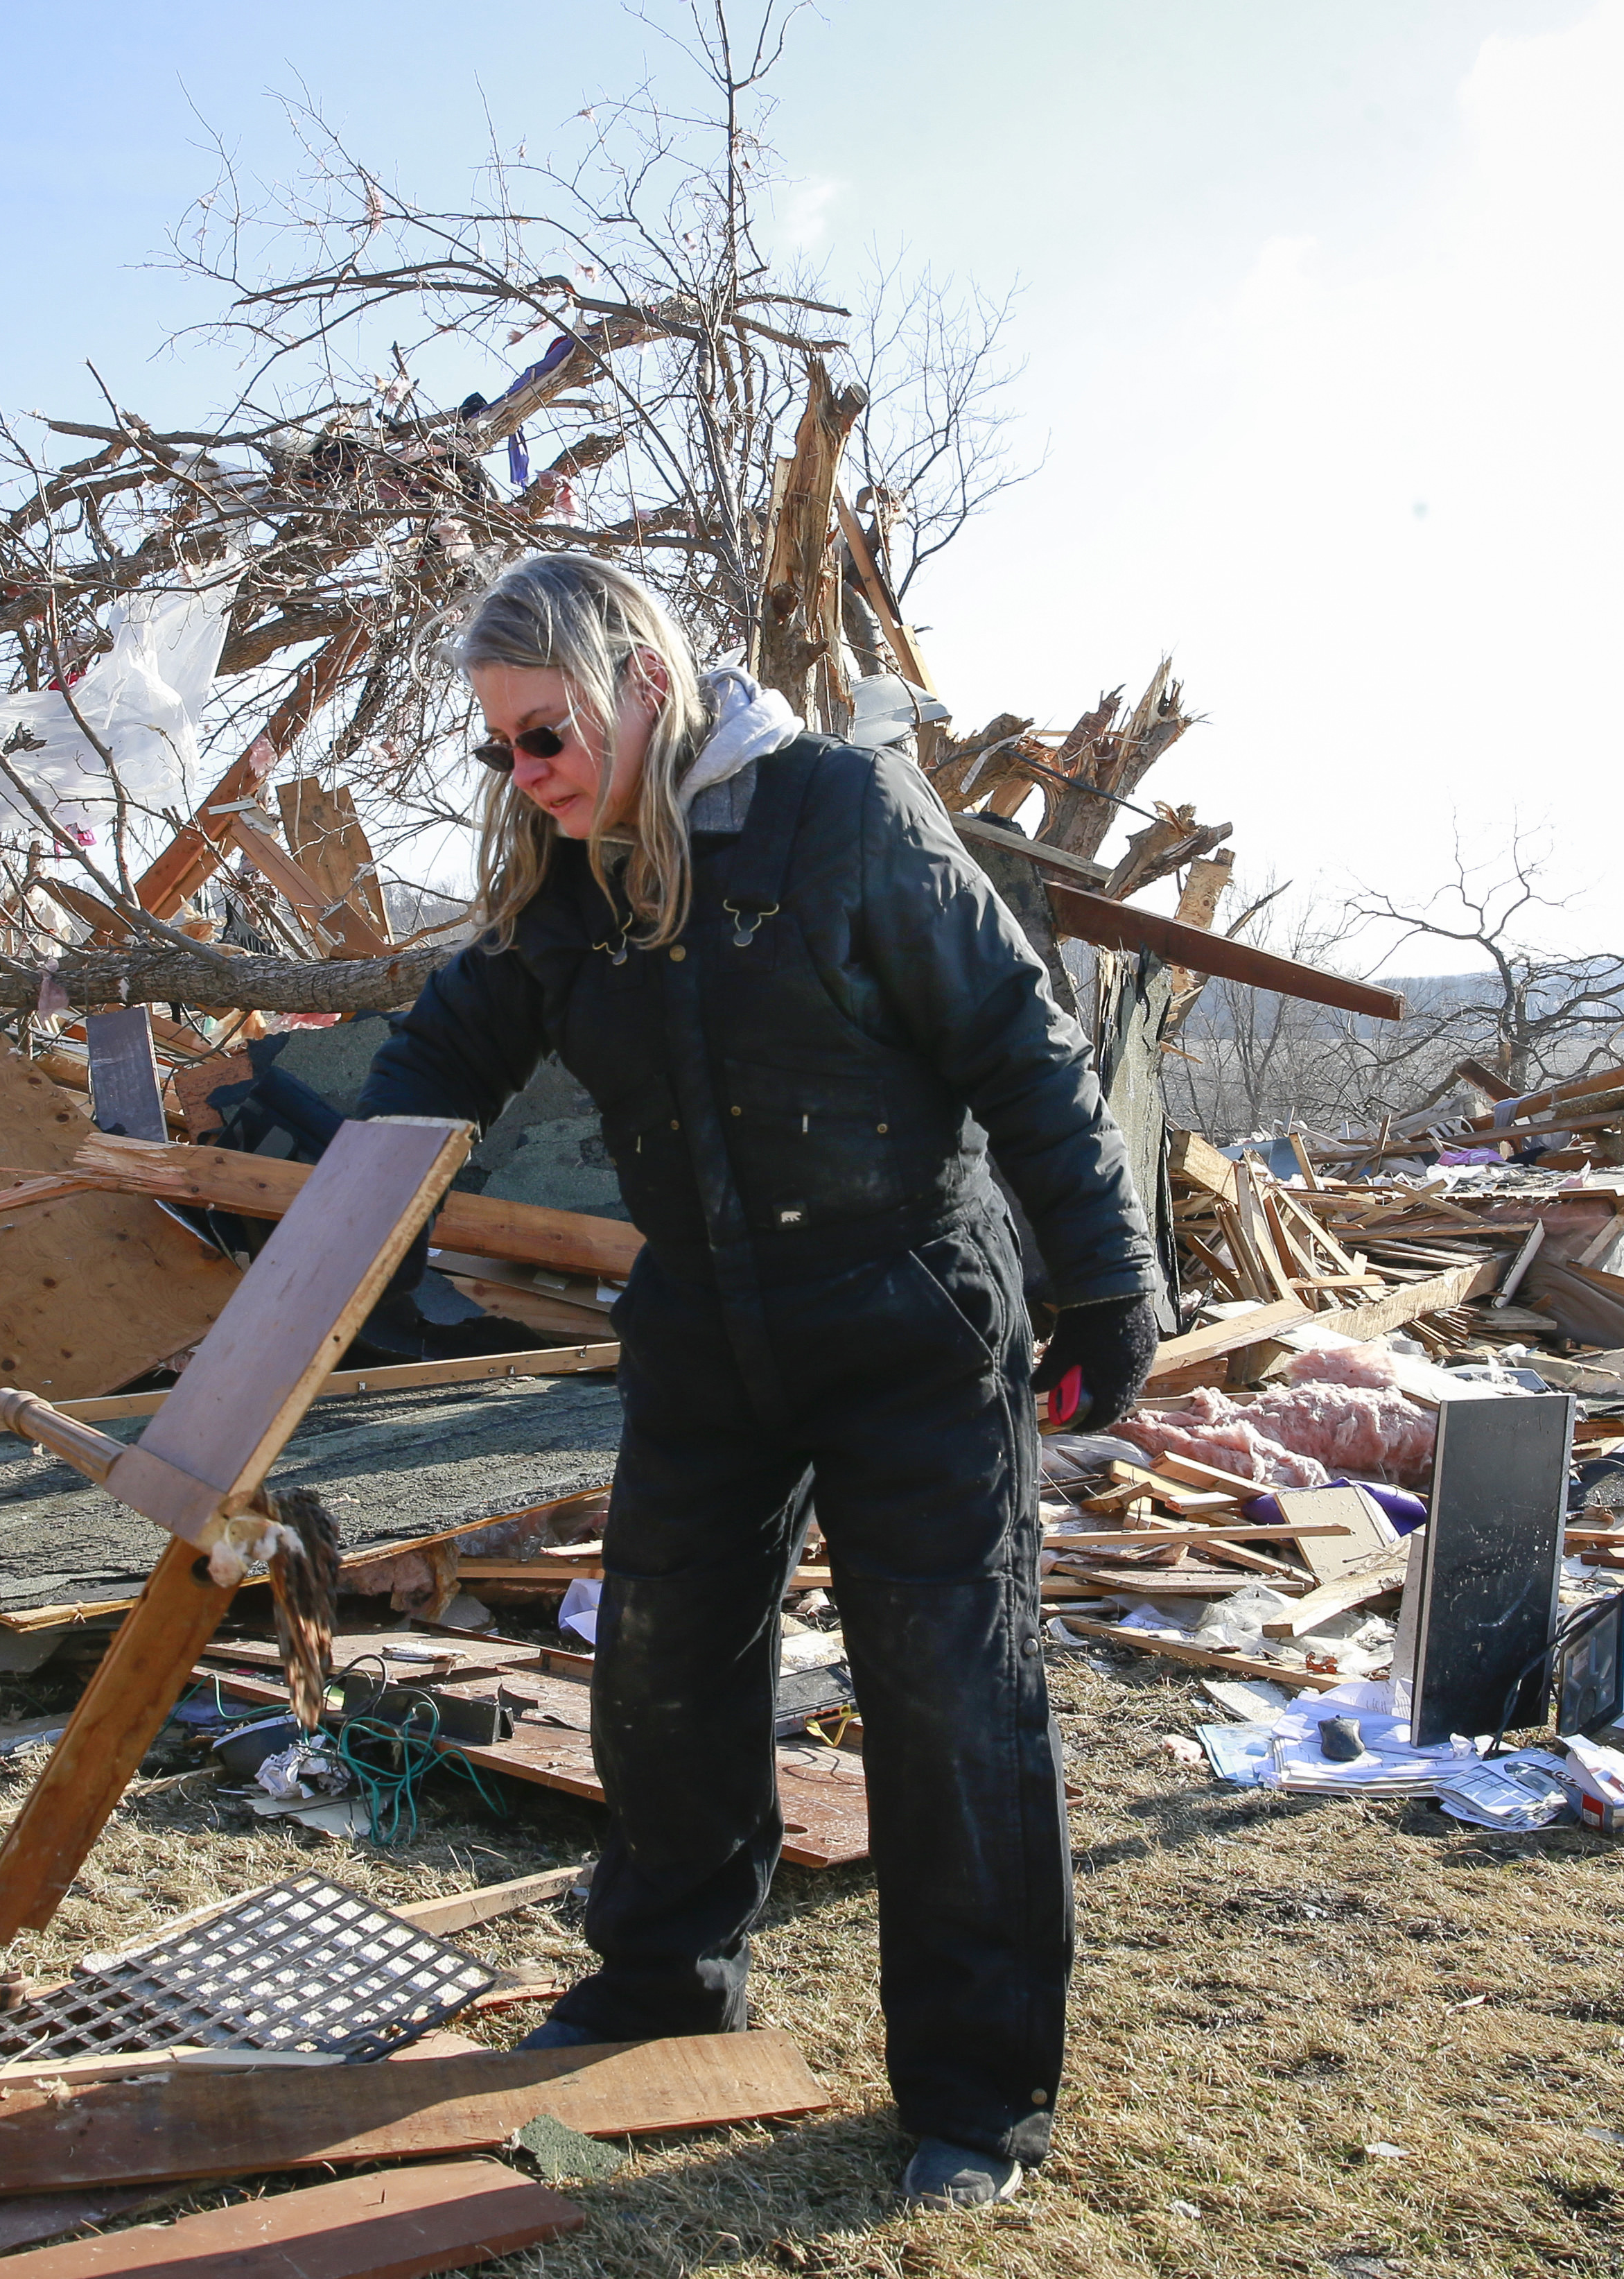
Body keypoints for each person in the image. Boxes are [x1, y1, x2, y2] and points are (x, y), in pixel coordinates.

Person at [350, 554, 1167, 2208]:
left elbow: (1020, 1041)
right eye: (502, 747)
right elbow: (447, 1043)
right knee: (658, 1659)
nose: (528, 774)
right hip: (709, 1327)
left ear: (643, 685)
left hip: (909, 1316)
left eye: (545, 733)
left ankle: (971, 2094)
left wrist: (1109, 1281)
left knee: (945, 1692)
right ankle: (665, 1977)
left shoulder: (839, 814)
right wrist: (354, 1209)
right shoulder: (564, 879)